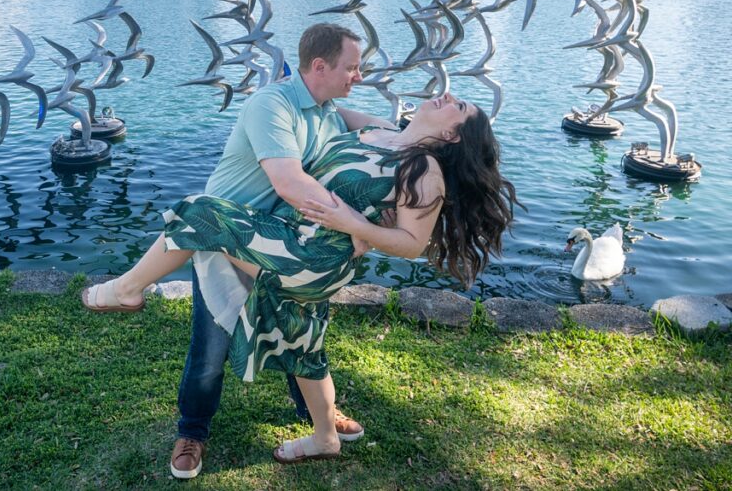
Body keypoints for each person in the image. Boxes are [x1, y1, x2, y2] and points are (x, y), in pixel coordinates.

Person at [85, 77, 518, 467]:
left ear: (451, 135)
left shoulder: (425, 171)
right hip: (298, 242)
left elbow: (413, 244)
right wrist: (287, 88)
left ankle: (124, 290)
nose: (448, 96)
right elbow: (323, 105)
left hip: (314, 257)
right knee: (303, 346)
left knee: (199, 212)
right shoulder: (379, 130)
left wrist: (357, 226)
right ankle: (325, 436)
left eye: (458, 106)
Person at [86, 23, 387, 478]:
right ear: (320, 66)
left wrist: (418, 133)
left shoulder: (328, 112)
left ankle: (316, 416)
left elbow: (385, 130)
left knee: (297, 334)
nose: (358, 77)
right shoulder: (272, 104)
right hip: (223, 241)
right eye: (352, 67)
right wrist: (358, 226)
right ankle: (192, 432)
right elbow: (289, 184)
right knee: (210, 350)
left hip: (280, 244)